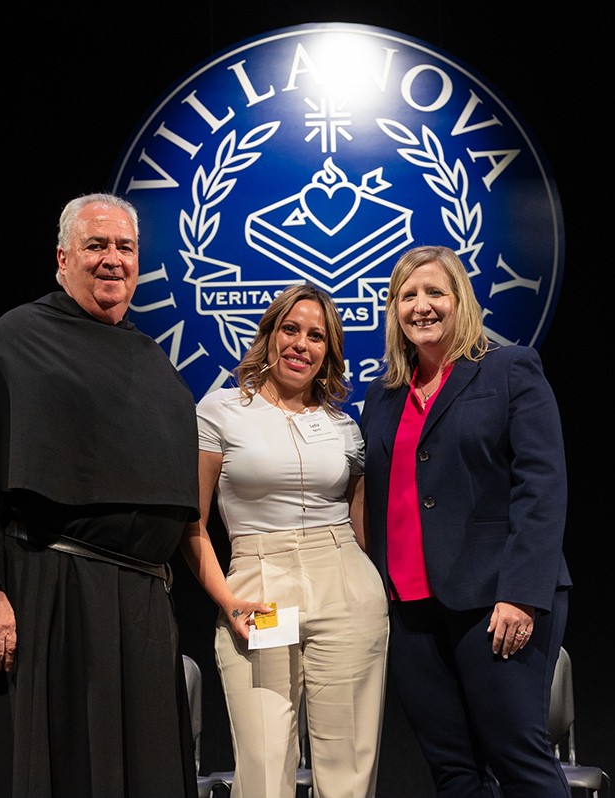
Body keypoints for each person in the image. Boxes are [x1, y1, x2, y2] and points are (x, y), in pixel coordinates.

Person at [0, 193, 201, 798]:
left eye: (125, 247)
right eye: (96, 245)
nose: (113, 260)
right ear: (62, 257)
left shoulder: (155, 364)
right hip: (48, 595)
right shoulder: (15, 339)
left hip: (142, 606)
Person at [358, 245, 573, 797]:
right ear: (394, 311)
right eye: (407, 296)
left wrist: (522, 593)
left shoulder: (508, 369)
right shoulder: (381, 400)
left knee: (518, 757)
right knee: (453, 772)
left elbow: (542, 489)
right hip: (410, 611)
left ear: (461, 302)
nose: (421, 306)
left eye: (435, 293)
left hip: (496, 600)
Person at [180, 284, 388, 798]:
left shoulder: (344, 425)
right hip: (261, 590)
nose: (301, 344)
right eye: (290, 329)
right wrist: (227, 601)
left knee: (348, 767)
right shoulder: (220, 411)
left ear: (330, 351)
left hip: (345, 586)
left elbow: (364, 528)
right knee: (265, 764)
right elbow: (192, 526)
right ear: (269, 336)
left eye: (316, 335)